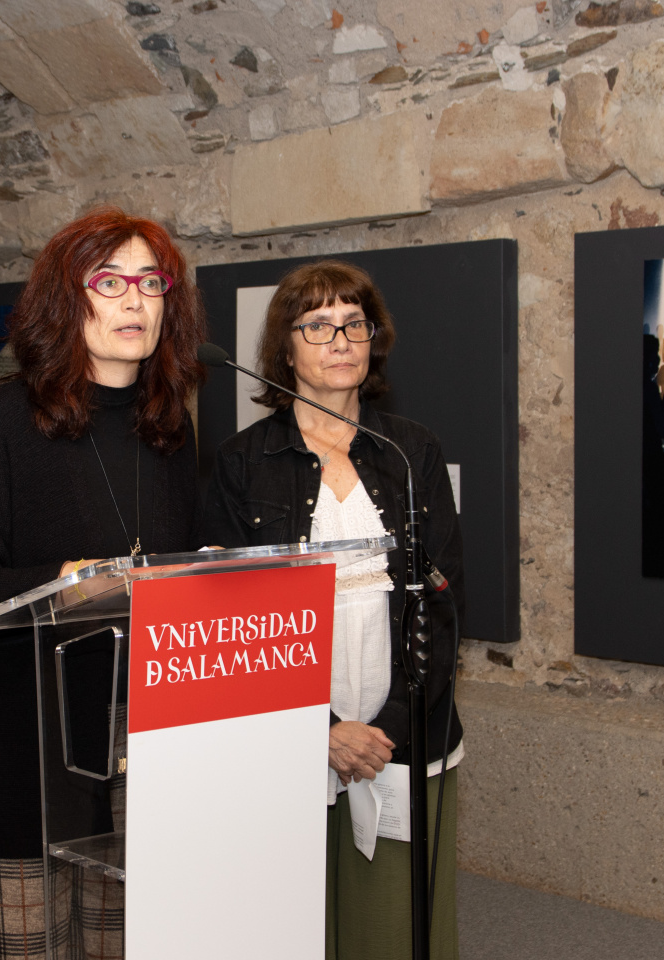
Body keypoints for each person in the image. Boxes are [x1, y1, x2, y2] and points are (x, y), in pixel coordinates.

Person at [0, 206, 206, 959]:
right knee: (22, 945)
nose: (134, 299)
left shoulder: (171, 427)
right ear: (66, 299)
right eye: (109, 280)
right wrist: (65, 581)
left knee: (124, 943)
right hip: (23, 733)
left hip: (135, 733)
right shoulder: (6, 420)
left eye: (151, 282)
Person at [198, 260, 465, 960]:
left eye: (354, 323)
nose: (339, 338)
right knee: (289, 925)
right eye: (317, 324)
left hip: (404, 735)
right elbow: (236, 624)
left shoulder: (413, 452)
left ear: (373, 341)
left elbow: (442, 602)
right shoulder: (240, 464)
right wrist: (320, 730)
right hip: (287, 732)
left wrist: (386, 730)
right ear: (285, 349)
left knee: (394, 929)